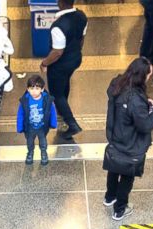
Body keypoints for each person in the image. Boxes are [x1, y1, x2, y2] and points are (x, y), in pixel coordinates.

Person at [104, 56, 153, 222]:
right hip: (131, 144)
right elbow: (144, 125)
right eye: (148, 75)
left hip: (115, 136)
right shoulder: (134, 100)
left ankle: (109, 197)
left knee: (113, 168)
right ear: (141, 76)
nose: (149, 78)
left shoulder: (118, 83)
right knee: (126, 177)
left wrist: (145, 102)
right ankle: (119, 209)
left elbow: (126, 105)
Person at [40, 0, 87, 140]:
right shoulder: (81, 16)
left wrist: (44, 63)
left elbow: (57, 52)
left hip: (60, 65)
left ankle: (72, 124)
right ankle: (62, 108)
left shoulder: (58, 26)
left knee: (56, 93)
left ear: (59, 3)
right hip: (75, 59)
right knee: (65, 81)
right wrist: (75, 52)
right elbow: (81, 39)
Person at [16, 74, 57, 165]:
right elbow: (20, 114)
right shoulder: (24, 100)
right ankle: (30, 153)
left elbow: (52, 111)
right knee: (30, 142)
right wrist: (19, 127)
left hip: (42, 127)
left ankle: (43, 153)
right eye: (32, 88)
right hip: (29, 127)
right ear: (28, 89)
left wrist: (53, 123)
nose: (34, 91)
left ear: (42, 89)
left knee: (43, 142)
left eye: (37, 89)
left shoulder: (47, 100)